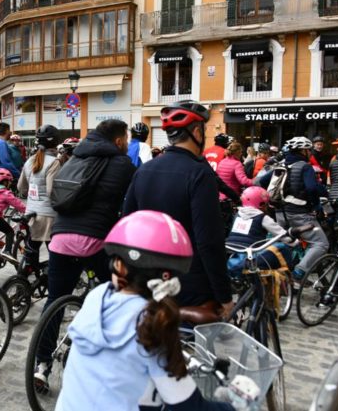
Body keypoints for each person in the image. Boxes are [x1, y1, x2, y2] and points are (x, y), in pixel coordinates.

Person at [57, 210, 237, 411]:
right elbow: (188, 406)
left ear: (119, 266)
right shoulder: (153, 325)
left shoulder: (97, 297)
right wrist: (233, 406)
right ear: (172, 278)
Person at [34, 119, 136, 389]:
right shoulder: (123, 164)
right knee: (112, 296)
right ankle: (97, 355)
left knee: (55, 299)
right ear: (118, 141)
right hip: (95, 241)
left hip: (60, 238)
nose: (127, 143)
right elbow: (133, 204)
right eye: (125, 139)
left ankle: (41, 364)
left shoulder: (73, 159)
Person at [123, 101, 233, 313]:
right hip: (189, 283)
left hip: (149, 277)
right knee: (189, 343)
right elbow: (209, 241)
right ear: (197, 133)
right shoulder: (200, 174)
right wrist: (224, 295)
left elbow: (127, 226)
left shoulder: (144, 171)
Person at [261, 137, 329, 282]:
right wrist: (316, 205)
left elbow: (262, 181)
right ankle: (299, 271)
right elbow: (311, 188)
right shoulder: (305, 166)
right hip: (299, 213)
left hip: (280, 212)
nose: (310, 153)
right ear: (303, 151)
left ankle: (272, 270)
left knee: (282, 241)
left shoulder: (280, 165)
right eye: (308, 150)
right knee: (320, 243)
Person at [17, 125, 62, 268]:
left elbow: (21, 188)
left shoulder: (30, 161)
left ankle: (26, 280)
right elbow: (51, 191)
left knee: (31, 251)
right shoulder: (54, 162)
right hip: (48, 215)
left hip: (31, 213)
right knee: (56, 255)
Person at [226, 187, 296, 275]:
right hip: (249, 254)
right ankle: (291, 276)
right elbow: (281, 234)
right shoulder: (262, 217)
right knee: (283, 247)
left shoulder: (237, 214)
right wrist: (295, 241)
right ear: (262, 204)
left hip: (232, 251)